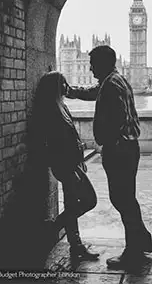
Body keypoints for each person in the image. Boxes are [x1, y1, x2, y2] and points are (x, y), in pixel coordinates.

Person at [67, 45, 152, 269]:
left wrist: (107, 141)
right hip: (127, 147)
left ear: (104, 63)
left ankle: (133, 251)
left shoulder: (111, 84)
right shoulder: (116, 80)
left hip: (120, 149)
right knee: (126, 199)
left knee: (122, 199)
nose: (90, 67)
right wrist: (71, 91)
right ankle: (141, 240)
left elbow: (118, 117)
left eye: (93, 63)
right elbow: (93, 93)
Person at [30, 71, 99, 261]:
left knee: (71, 204)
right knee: (89, 200)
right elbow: (50, 142)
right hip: (65, 165)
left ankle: (75, 245)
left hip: (73, 163)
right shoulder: (50, 110)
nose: (66, 86)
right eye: (63, 83)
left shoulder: (62, 106)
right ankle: (55, 227)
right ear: (56, 86)